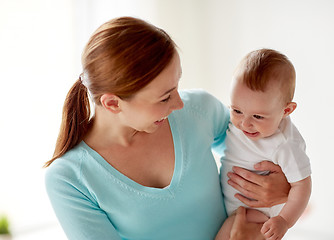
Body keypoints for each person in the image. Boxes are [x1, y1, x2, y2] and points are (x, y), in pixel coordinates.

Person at [44, 17, 290, 240]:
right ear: (112, 103)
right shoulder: (70, 179)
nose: (179, 103)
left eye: (176, 85)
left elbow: (270, 148)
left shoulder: (199, 111)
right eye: (164, 98)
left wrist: (284, 187)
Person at [217, 49, 312, 240]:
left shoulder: (284, 145)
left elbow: (303, 186)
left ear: (286, 110)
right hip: (233, 208)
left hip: (257, 217)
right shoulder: (237, 119)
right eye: (236, 110)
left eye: (258, 116)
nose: (245, 123)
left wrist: (284, 221)